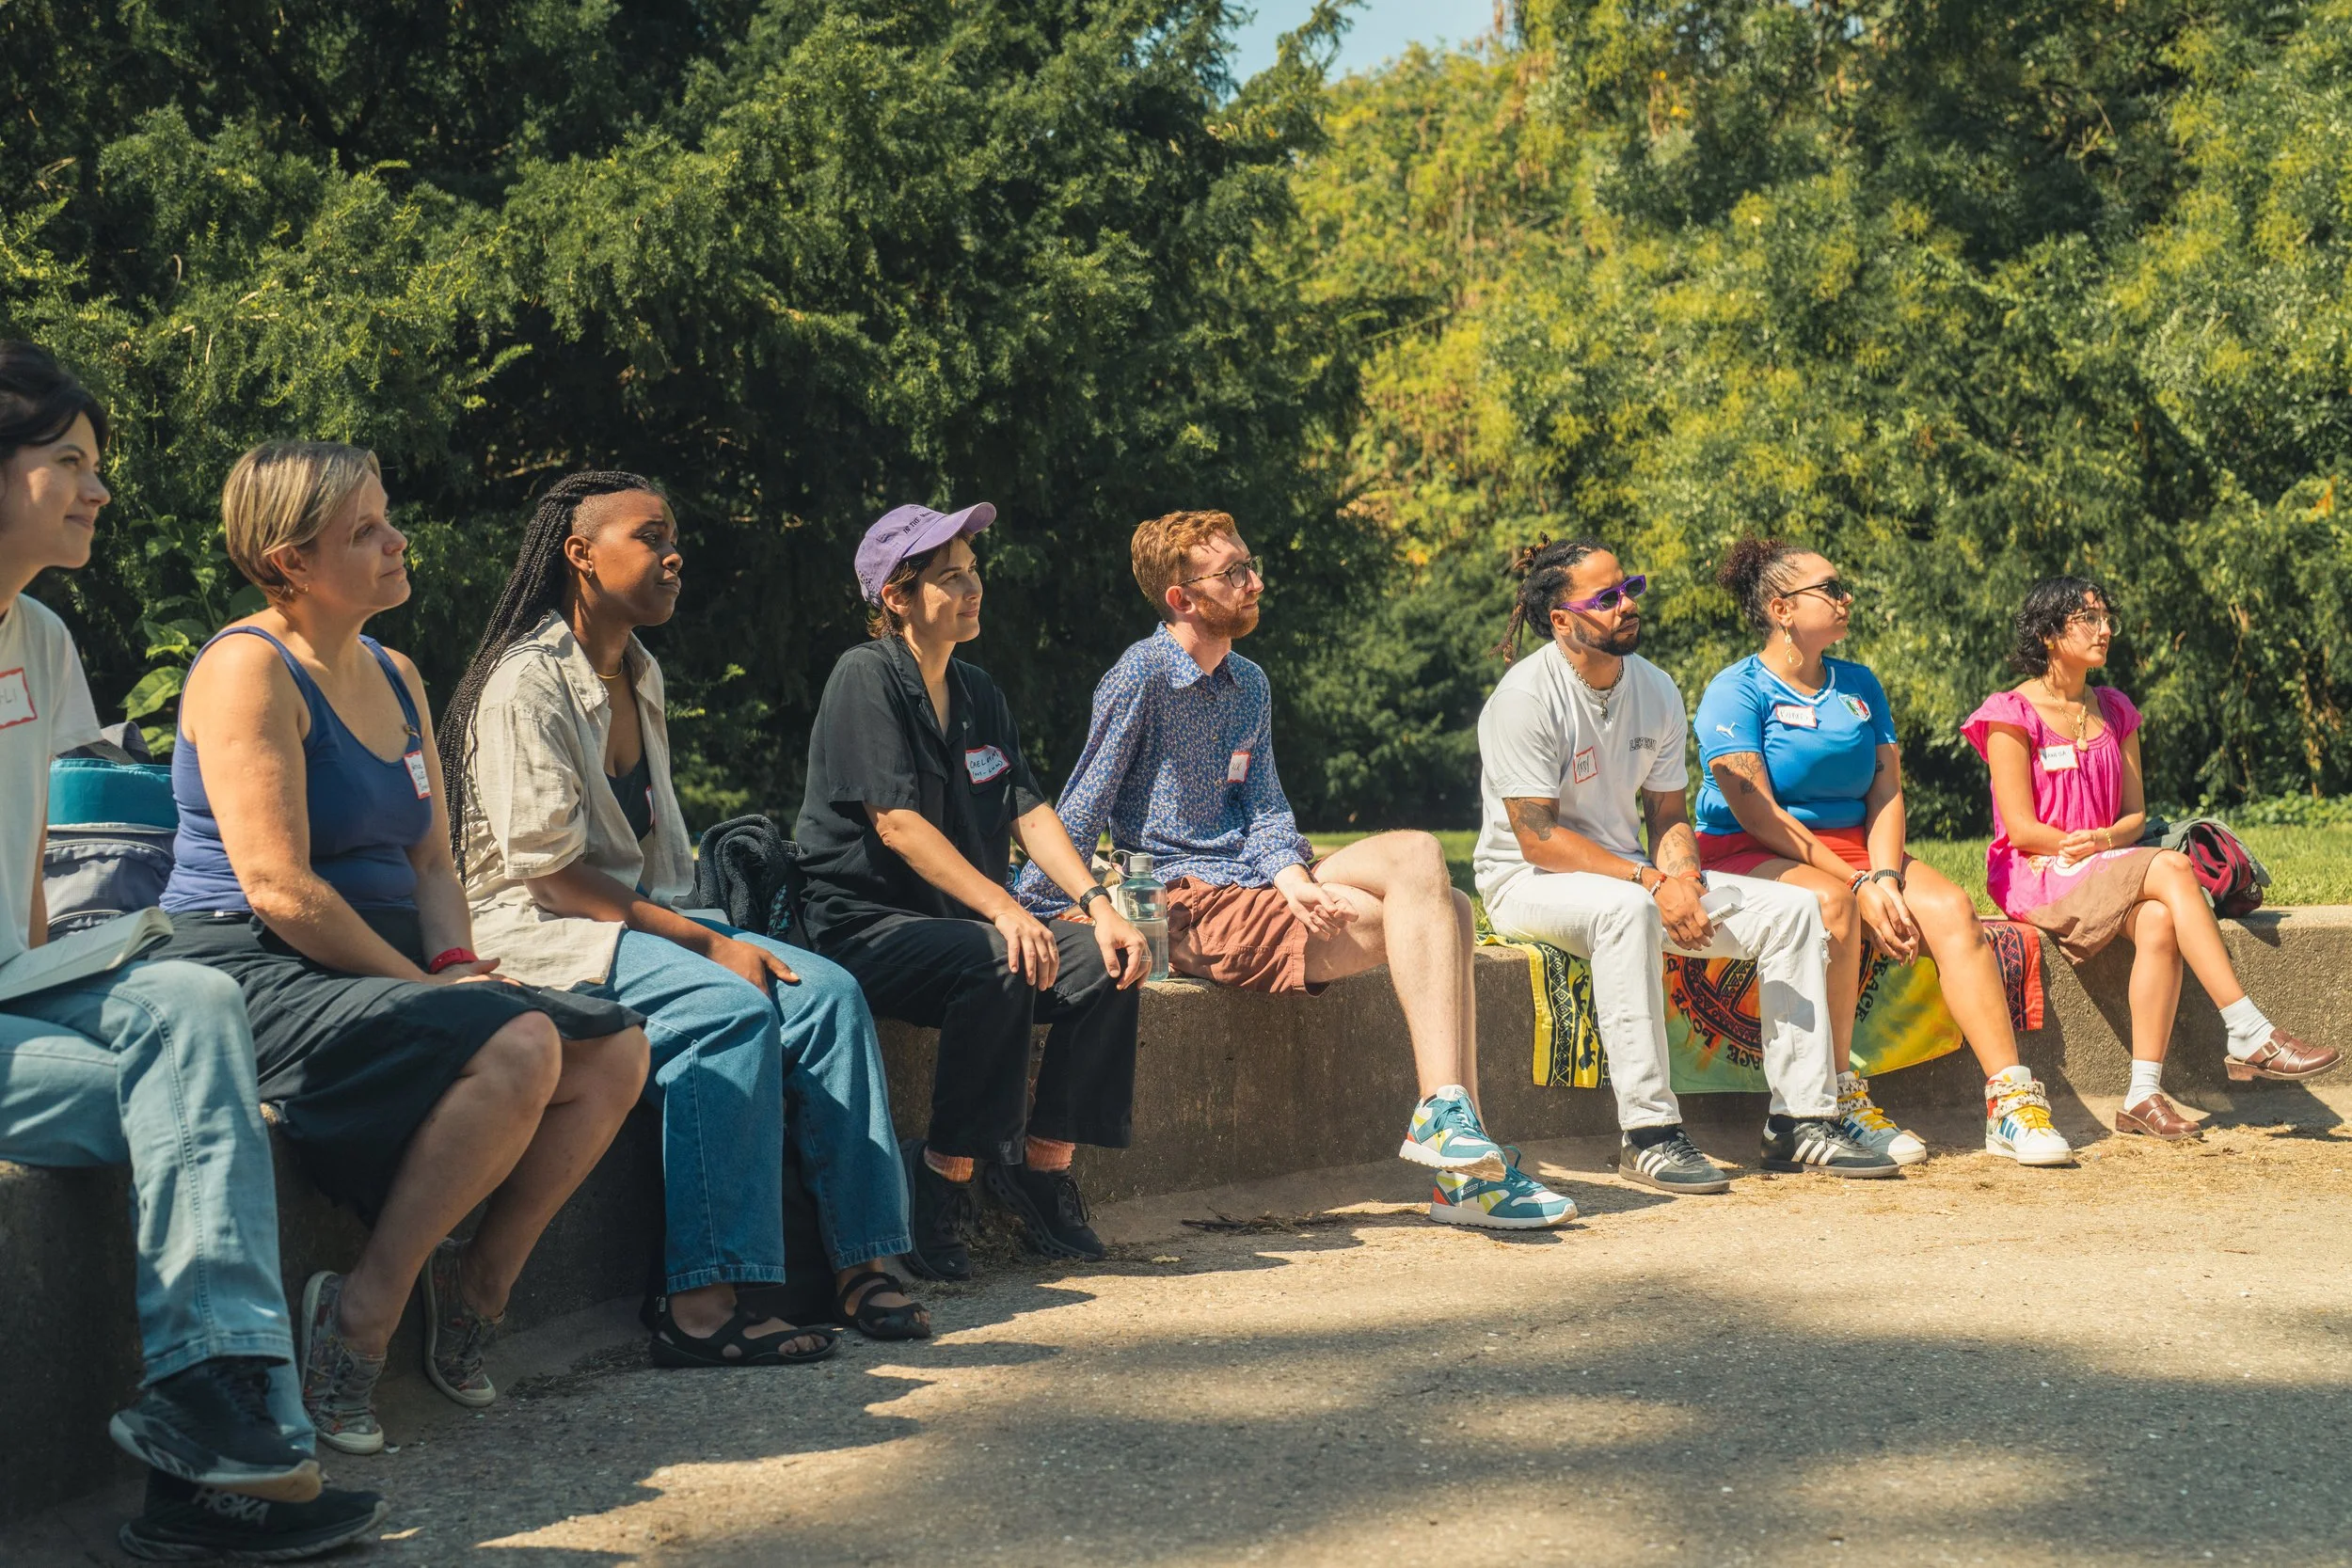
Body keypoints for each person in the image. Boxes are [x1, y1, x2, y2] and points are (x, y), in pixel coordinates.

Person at [158, 441, 650, 1454]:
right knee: (514, 1043)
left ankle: (475, 1288)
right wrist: (443, 996)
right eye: (366, 531)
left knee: (615, 1047)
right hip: (252, 962)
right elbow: (280, 888)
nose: (398, 539)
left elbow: (434, 864)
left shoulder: (396, 672)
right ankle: (359, 1317)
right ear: (290, 561)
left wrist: (457, 966)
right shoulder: (250, 667)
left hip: (377, 952)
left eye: (389, 516)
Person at [0, 342, 386, 1560]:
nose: (97, 490)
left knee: (191, 1013)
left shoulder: (44, 642)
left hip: (20, 1002)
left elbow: (56, 880)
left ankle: (221, 1429)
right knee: (197, 1089)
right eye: (69, 463)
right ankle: (234, 1459)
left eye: (96, 466)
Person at [439, 470, 927, 1360]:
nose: (674, 557)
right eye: (650, 537)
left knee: (828, 994)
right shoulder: (525, 684)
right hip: (540, 930)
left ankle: (863, 1262)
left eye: (676, 540)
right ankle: (701, 1301)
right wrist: (706, 945)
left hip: (639, 918)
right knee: (725, 1012)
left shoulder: (640, 670)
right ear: (580, 555)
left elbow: (650, 867)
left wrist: (705, 931)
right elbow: (550, 878)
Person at [1015, 509, 1573, 1229]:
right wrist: (1036, 906)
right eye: (1235, 573)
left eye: (1251, 564)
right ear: (1182, 597)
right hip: (1188, 898)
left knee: (1428, 867)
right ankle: (1465, 1173)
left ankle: (1454, 1135)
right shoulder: (1140, 675)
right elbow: (1081, 801)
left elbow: (1268, 805)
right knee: (1444, 915)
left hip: (1257, 882)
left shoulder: (1249, 683)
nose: (1257, 581)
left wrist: (1292, 877)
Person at [1473, 538, 1899, 1192]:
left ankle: (1801, 1120)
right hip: (1529, 881)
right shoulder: (1525, 695)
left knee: (1793, 910)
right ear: (1561, 620)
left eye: (1630, 588)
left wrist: (1686, 878)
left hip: (1634, 875)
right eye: (1606, 597)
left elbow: (1669, 814)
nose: (1626, 606)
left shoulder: (1656, 688)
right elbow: (1537, 837)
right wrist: (1652, 881)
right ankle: (1649, 1133)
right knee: (1624, 912)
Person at [795, 502, 1150, 1279]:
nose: (972, 588)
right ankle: (942, 1180)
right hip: (867, 931)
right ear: (896, 595)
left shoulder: (978, 689)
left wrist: (1098, 904)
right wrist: (1004, 905)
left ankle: (1040, 1171)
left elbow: (1028, 807)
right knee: (1000, 954)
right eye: (950, 577)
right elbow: (897, 825)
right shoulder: (864, 678)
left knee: (1110, 959)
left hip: (962, 928)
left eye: (973, 572)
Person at [1692, 539, 2072, 1167]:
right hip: (1749, 845)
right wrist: (1858, 881)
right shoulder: (1735, 689)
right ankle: (1837, 1097)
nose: (1846, 597)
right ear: (1782, 608)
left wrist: (1887, 875)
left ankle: (2010, 1102)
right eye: (1829, 587)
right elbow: (1756, 811)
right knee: (1833, 902)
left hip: (1853, 849)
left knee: (1950, 907)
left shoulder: (1859, 683)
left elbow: (1886, 789)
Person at [1963, 577, 2340, 1138]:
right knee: (2173, 866)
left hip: (2108, 860)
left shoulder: (2114, 708)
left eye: (2107, 617)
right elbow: (2019, 828)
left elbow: (2135, 818)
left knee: (2162, 920)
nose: (2106, 629)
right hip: (2039, 871)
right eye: (2088, 619)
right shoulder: (2010, 712)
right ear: (2047, 633)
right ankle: (2247, 1027)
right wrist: (2077, 845)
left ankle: (2142, 1095)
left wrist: (2104, 841)